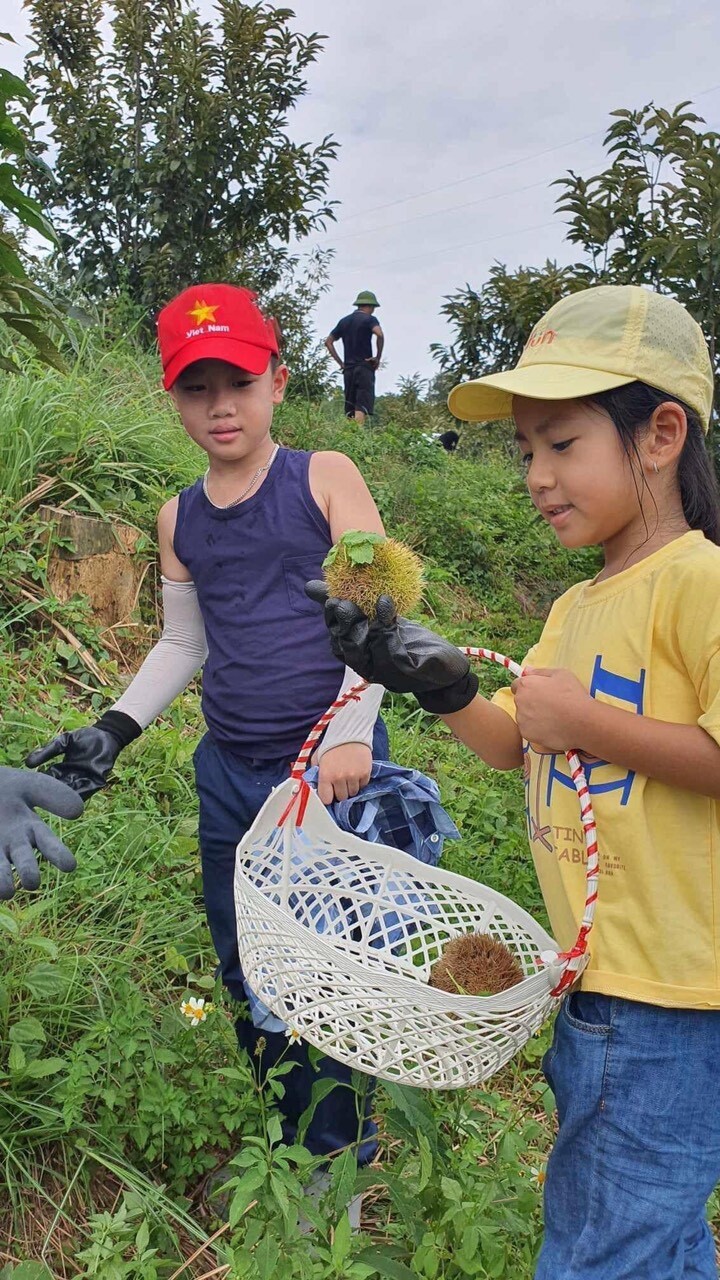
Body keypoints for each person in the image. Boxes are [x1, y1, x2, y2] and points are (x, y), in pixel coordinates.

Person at [307, 284, 720, 1279]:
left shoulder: (698, 582)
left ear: (660, 433)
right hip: (602, 982)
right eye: (524, 448)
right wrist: (438, 682)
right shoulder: (578, 603)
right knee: (649, 1236)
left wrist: (585, 720)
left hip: (671, 990)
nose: (536, 473)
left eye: (562, 443)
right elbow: (518, 743)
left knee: (600, 1247)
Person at [12, 283, 390, 1180]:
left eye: (240, 381)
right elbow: (186, 640)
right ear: (171, 395)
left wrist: (353, 726)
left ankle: (337, 1165)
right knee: (245, 957)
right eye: (197, 387)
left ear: (279, 382)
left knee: (328, 961)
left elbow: (377, 611)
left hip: (323, 774)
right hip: (228, 774)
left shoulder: (325, 477)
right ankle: (284, 1141)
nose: (221, 405)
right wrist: (116, 726)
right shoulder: (179, 518)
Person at [325, 291, 384, 424]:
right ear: (370, 306)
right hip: (364, 366)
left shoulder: (344, 321)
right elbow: (379, 334)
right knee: (361, 404)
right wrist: (377, 358)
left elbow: (328, 342)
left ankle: (349, 436)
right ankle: (357, 435)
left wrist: (341, 363)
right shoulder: (370, 319)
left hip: (349, 369)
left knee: (350, 405)